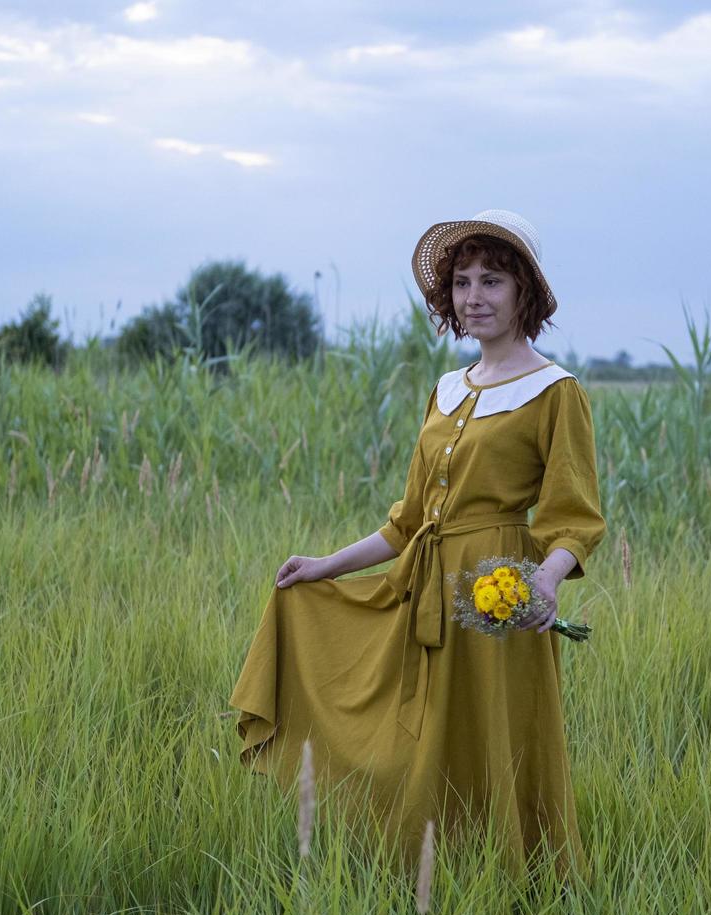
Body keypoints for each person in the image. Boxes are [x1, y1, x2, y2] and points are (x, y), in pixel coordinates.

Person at [228, 209, 607, 877]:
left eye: (492, 281)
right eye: (462, 283)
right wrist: (325, 566)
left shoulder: (556, 391)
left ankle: (509, 879)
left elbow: (575, 513)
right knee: (420, 737)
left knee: (489, 736)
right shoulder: (447, 390)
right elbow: (408, 523)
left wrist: (546, 579)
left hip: (497, 596)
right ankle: (423, 871)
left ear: (526, 292)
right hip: (424, 586)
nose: (474, 297)